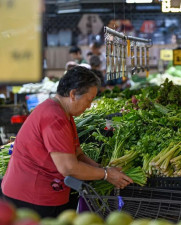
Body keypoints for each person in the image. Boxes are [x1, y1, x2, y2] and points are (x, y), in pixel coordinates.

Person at [1, 66, 133, 218]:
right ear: (72, 94)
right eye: (88, 100)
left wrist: (102, 168)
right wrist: (105, 174)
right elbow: (68, 167)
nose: (89, 105)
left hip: (43, 194)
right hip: (31, 197)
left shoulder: (63, 113)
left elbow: (78, 154)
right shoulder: (53, 117)